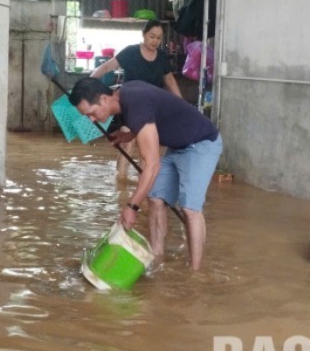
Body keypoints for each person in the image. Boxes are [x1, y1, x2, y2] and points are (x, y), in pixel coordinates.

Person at [69, 77, 222, 271]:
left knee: (190, 208)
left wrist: (132, 207)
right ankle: (157, 260)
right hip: (177, 146)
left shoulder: (135, 101)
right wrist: (130, 134)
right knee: (155, 198)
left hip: (202, 143)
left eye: (91, 113)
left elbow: (152, 165)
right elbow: (153, 115)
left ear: (103, 99)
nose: (91, 120)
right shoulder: (123, 98)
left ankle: (196, 274)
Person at [90, 20, 182, 181]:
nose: (155, 41)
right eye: (151, 36)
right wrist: (89, 82)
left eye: (159, 38)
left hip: (152, 108)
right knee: (128, 143)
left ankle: (144, 181)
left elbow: (169, 80)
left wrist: (180, 102)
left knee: (147, 148)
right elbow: (106, 67)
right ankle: (121, 182)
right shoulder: (130, 52)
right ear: (143, 35)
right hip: (129, 105)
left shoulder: (161, 56)